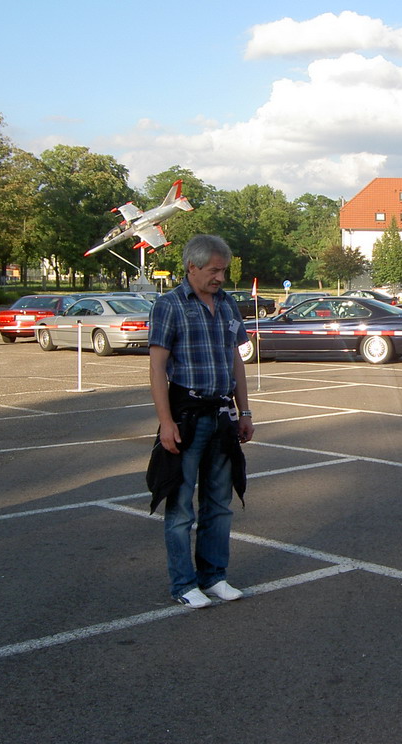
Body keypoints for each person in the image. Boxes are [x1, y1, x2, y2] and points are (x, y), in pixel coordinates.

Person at [148, 234, 255, 609]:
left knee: (219, 503)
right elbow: (157, 367)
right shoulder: (170, 305)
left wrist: (244, 412)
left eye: (223, 270)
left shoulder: (227, 304)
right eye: (213, 270)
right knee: (181, 507)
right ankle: (183, 584)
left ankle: (214, 577)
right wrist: (166, 422)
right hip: (186, 416)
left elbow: (236, 359)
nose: (220, 278)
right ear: (191, 267)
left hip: (222, 415)